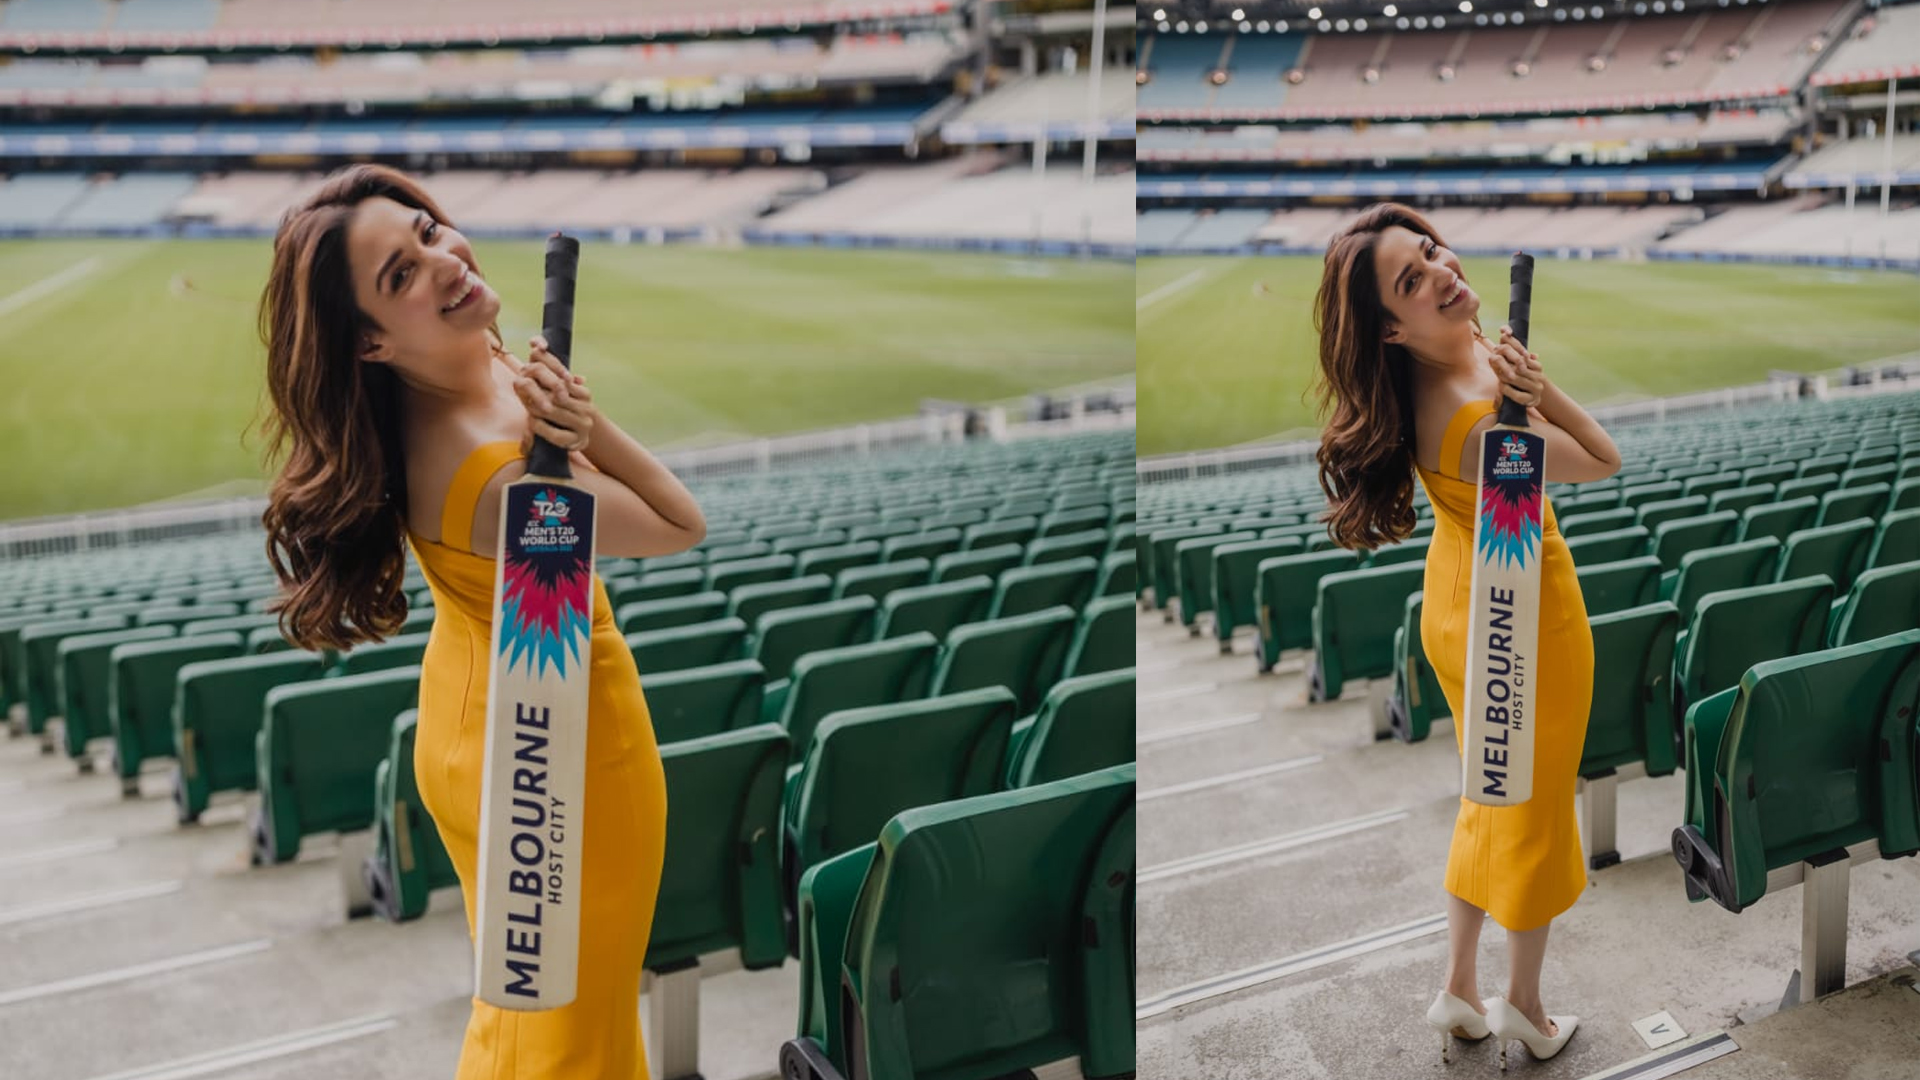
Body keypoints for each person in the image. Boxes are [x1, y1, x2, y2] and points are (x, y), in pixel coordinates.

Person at [256, 163, 705, 1078]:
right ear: (370, 346)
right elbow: (675, 523)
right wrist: (589, 427)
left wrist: (561, 419)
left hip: (491, 706)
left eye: (424, 233)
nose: (444, 261)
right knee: (565, 1034)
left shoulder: (472, 364)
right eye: (400, 277)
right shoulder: (502, 482)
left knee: (534, 1013)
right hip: (550, 744)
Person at [1310, 204, 1621, 1068]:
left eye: (1432, 252)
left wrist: (1506, 373)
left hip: (1466, 591)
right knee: (1532, 808)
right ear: (1391, 329)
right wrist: (1537, 388)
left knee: (1488, 795)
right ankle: (1523, 1005)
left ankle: (1459, 986)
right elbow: (1601, 457)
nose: (1443, 272)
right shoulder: (1479, 422)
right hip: (1520, 616)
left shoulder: (1454, 365)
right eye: (1413, 280)